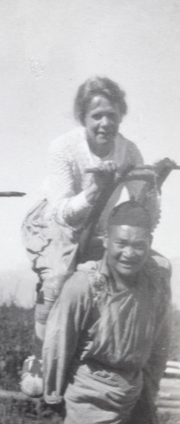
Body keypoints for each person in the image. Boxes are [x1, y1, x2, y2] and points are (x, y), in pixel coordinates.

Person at [43, 200, 171, 424]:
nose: (129, 253)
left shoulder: (157, 285)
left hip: (133, 396)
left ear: (149, 244)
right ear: (106, 240)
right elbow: (58, 342)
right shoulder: (85, 286)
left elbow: (160, 343)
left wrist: (148, 389)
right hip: (86, 399)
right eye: (121, 243)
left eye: (139, 245)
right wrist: (56, 396)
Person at [21, 76, 174, 340]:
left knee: (157, 268)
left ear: (120, 117)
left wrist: (154, 184)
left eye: (112, 116)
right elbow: (62, 214)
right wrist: (94, 190)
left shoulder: (128, 150)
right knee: (58, 282)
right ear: (83, 118)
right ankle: (42, 356)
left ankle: (133, 349)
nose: (106, 124)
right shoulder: (63, 147)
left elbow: (140, 215)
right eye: (97, 116)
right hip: (54, 227)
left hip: (99, 228)